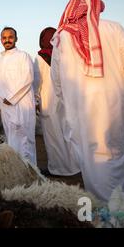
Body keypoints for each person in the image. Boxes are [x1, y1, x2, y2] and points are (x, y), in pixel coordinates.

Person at [51, 0, 124, 201]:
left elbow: (57, 80)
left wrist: (67, 102)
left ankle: (102, 208)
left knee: (90, 157)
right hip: (112, 107)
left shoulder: (61, 37)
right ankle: (120, 206)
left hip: (80, 111)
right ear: (97, 6)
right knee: (114, 152)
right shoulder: (114, 28)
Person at [34, 27, 80, 176]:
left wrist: (35, 100)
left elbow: (37, 82)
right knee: (67, 135)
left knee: (53, 137)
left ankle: (58, 168)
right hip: (65, 102)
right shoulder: (65, 55)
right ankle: (73, 166)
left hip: (48, 102)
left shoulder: (40, 57)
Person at [0, 27, 37, 165]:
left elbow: (28, 78)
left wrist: (12, 98)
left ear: (16, 39)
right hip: (6, 107)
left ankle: (30, 172)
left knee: (24, 140)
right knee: (11, 139)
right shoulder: (1, 59)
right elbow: (0, 83)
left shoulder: (23, 56)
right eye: (4, 37)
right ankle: (16, 171)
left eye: (10, 37)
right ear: (1, 40)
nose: (7, 40)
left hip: (21, 105)